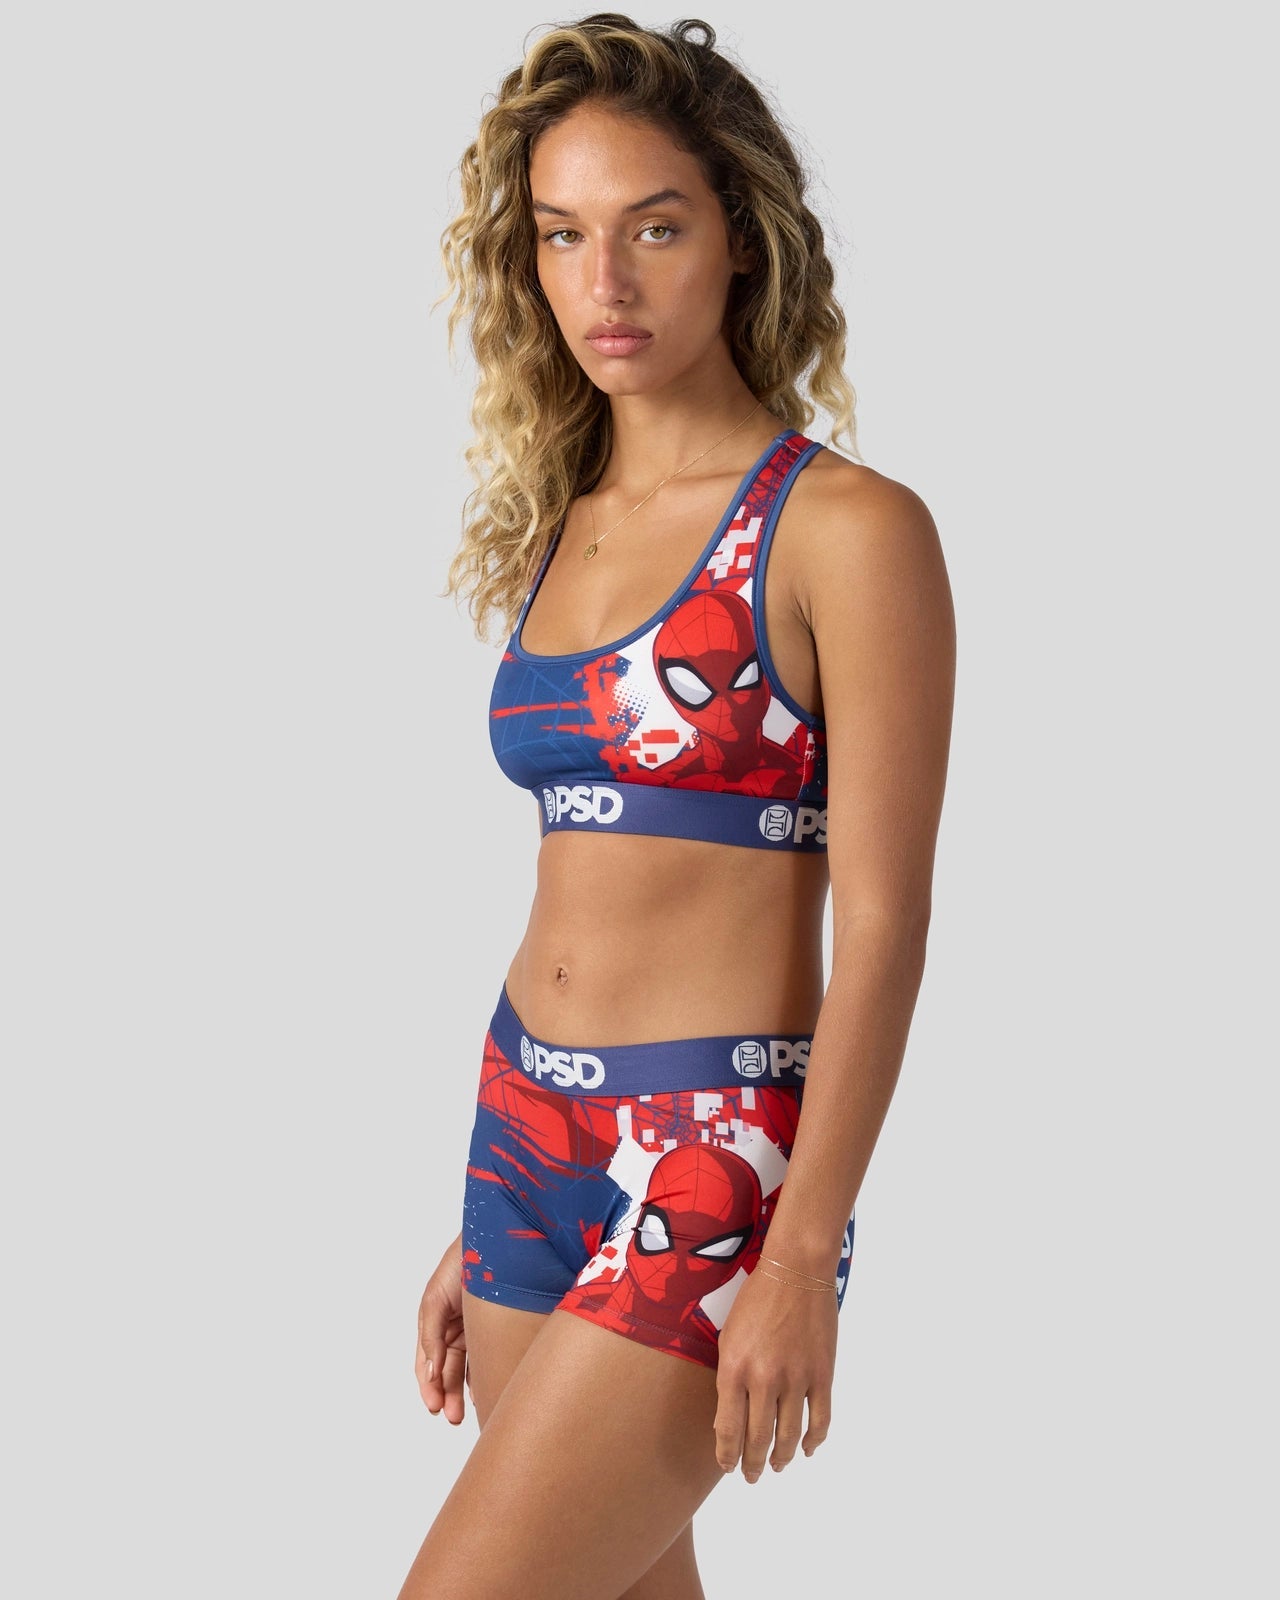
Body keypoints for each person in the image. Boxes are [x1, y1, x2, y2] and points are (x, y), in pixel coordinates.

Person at [398, 14, 955, 1599]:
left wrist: (803, 1249)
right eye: (561, 235)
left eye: (653, 227)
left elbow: (887, 921)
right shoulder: (562, 525)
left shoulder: (845, 530)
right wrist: (480, 1222)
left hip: (717, 1158)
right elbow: (582, 878)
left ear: (742, 237)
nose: (607, 282)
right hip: (523, 1133)